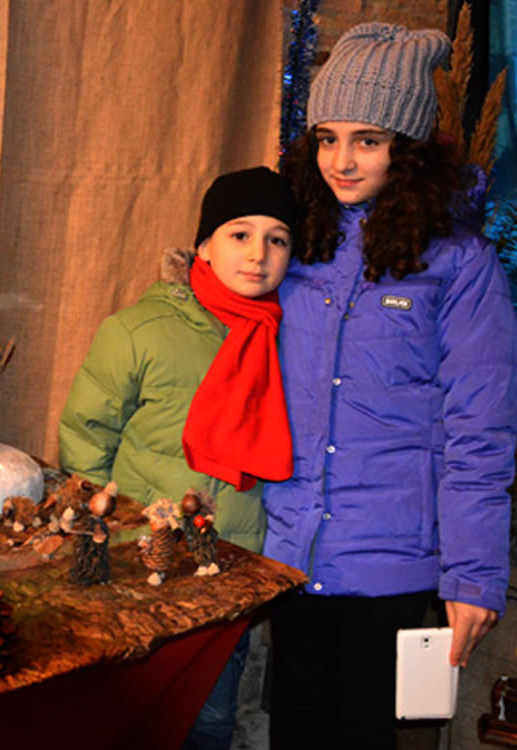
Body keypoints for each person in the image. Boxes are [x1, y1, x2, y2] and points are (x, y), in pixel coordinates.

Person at [264, 22, 517, 750]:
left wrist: (473, 577)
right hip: (288, 559)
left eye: (367, 140)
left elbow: (481, 430)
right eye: (326, 137)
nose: (341, 160)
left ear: (404, 150)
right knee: (295, 731)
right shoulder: (293, 246)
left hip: (395, 570)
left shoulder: (459, 263)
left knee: (376, 735)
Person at [59, 166, 299, 749]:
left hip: (231, 574)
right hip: (146, 567)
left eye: (278, 239)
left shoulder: (291, 336)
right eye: (239, 234)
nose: (259, 254)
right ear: (204, 245)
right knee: (136, 717)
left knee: (212, 720)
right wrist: (104, 541)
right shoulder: (138, 330)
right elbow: (88, 438)